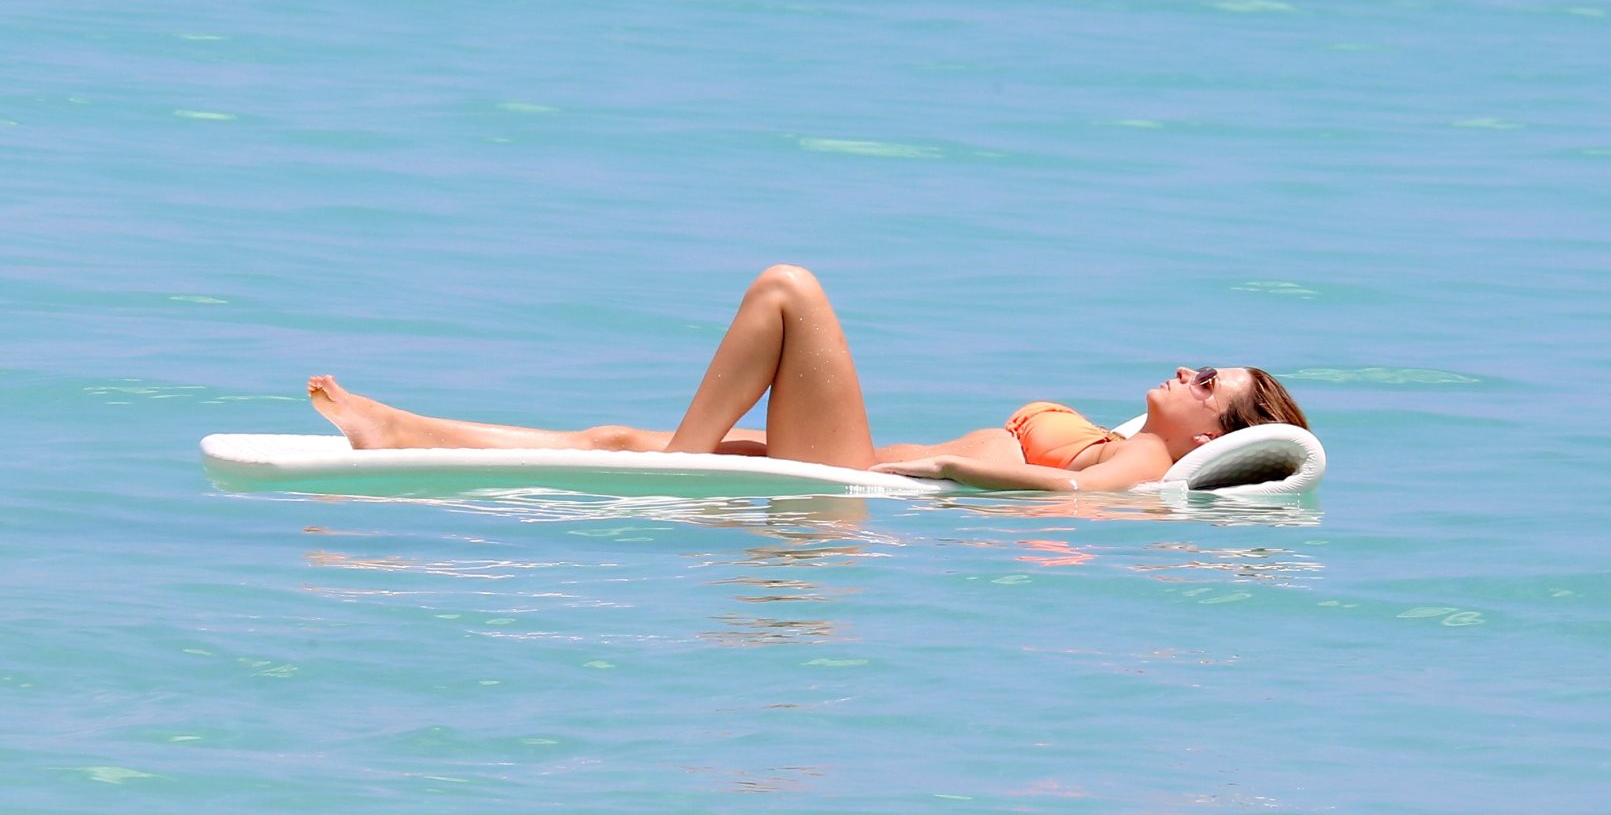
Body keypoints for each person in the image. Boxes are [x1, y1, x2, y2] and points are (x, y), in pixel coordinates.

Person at [307, 264, 1309, 493]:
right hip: (854, 468)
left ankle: (678, 467)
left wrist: (952, 473)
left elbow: (1076, 502)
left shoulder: (1143, 470)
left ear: (1209, 435)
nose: (1187, 370)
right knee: (614, 439)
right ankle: (397, 429)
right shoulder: (1126, 438)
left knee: (790, 291)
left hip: (856, 486)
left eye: (1206, 381)